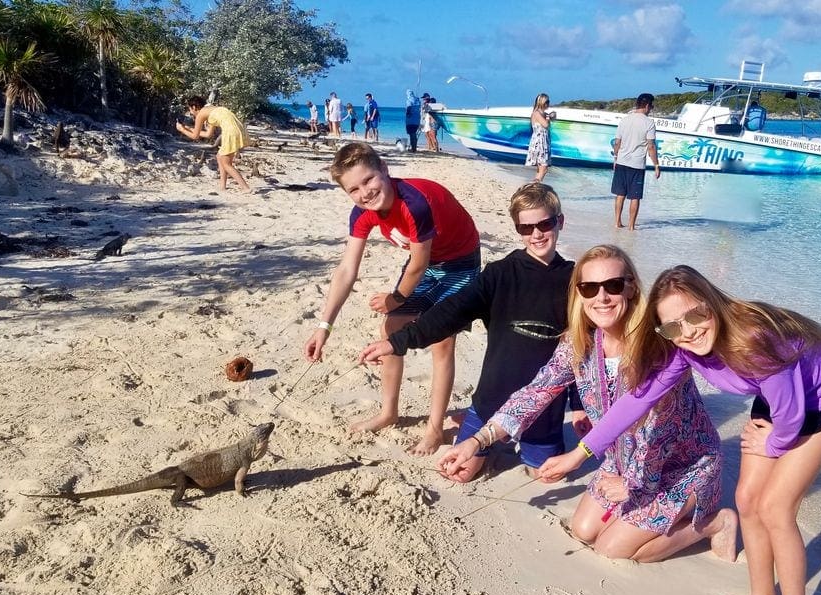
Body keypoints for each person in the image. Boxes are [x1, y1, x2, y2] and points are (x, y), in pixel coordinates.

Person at [540, 265, 821, 595]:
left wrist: (773, 442)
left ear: (712, 303)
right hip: (778, 390)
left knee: (776, 508)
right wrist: (580, 453)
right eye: (672, 327)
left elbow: (791, 418)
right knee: (746, 501)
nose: (688, 331)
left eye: (694, 316)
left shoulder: (754, 340)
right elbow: (637, 400)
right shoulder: (683, 350)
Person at [439, 245, 736, 563]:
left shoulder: (658, 346)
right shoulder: (578, 344)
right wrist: (477, 440)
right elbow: (535, 393)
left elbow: (659, 430)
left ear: (632, 287)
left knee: (613, 549)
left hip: (679, 465)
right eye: (589, 287)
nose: (602, 297)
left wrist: (631, 485)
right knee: (583, 529)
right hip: (621, 461)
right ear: (579, 293)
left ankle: (716, 523)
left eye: (613, 285)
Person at [360, 183, 584, 482]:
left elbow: (584, 354)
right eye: (526, 227)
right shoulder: (498, 274)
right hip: (491, 402)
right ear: (517, 228)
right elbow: (449, 313)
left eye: (545, 223)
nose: (536, 234)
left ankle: (521, 442)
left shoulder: (577, 282)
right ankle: (475, 424)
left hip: (544, 410)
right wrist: (397, 342)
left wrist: (580, 408)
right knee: (458, 473)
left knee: (545, 476)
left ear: (560, 222)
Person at [305, 142, 481, 455]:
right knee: (391, 331)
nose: (365, 193)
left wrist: (395, 298)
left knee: (442, 341)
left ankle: (435, 428)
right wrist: (324, 326)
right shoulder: (362, 213)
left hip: (459, 261)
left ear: (385, 169)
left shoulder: (414, 203)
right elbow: (347, 269)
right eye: (354, 189)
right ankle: (389, 412)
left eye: (369, 180)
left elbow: (418, 264)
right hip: (427, 263)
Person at [175, 96, 251, 193]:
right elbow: (207, 134)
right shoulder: (211, 109)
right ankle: (222, 186)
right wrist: (187, 129)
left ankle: (245, 188)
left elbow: (195, 137)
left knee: (226, 163)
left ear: (194, 107)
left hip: (230, 130)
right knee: (220, 156)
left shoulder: (201, 114)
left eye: (190, 109)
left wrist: (181, 130)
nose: (191, 113)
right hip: (238, 128)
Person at [611, 92, 660, 231]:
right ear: (646, 105)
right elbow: (651, 146)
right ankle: (631, 226)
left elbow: (617, 142)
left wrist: (615, 158)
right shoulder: (649, 123)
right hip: (637, 164)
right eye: (651, 106)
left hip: (621, 161)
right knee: (635, 197)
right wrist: (656, 165)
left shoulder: (624, 120)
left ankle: (617, 222)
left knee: (620, 194)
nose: (651, 109)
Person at [525, 93, 555, 182]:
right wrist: (549, 117)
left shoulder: (542, 113)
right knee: (543, 168)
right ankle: (535, 186)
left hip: (544, 141)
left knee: (541, 169)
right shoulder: (537, 113)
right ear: (542, 102)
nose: (548, 104)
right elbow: (545, 124)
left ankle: (535, 186)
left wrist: (550, 116)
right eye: (547, 102)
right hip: (539, 142)